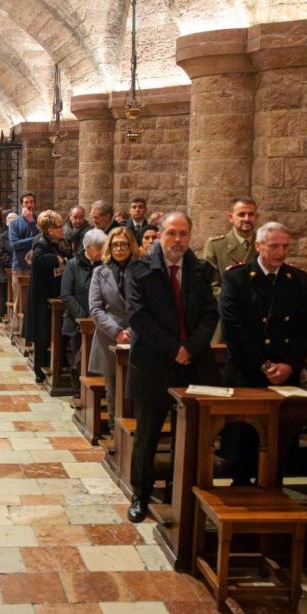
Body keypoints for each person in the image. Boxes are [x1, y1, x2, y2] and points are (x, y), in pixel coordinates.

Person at [125, 212, 219, 522]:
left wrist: (190, 348)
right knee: (148, 434)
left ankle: (179, 491)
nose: (177, 240)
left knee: (188, 434)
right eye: (171, 234)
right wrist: (174, 349)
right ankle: (141, 492)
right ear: (160, 235)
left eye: (183, 234)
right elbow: (138, 317)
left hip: (192, 364)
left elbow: (210, 314)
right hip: (153, 364)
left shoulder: (201, 270)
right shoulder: (140, 271)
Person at [219, 221, 307, 485]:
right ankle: (240, 497)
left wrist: (290, 366)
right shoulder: (237, 278)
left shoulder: (298, 280)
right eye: (274, 246)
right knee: (243, 445)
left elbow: (303, 328)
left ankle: (274, 492)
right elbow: (233, 329)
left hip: (284, 374)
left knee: (278, 445)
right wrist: (263, 365)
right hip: (247, 373)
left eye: (285, 246)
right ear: (259, 246)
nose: (280, 252)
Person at [89, 227, 140, 420]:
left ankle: (135, 434)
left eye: (124, 244)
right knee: (113, 388)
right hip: (109, 336)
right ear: (109, 247)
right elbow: (95, 309)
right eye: (115, 244)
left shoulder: (141, 270)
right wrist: (118, 331)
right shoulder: (100, 272)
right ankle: (114, 432)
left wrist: (131, 331)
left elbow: (146, 305)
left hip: (138, 333)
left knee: (137, 388)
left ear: (131, 246)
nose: (119, 249)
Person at [61, 226, 105, 391]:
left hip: (100, 321)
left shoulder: (106, 265)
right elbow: (66, 294)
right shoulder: (73, 264)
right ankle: (78, 389)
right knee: (78, 357)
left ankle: (94, 392)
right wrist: (84, 317)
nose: (103, 251)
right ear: (88, 248)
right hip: (76, 320)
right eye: (100, 247)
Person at [24, 210, 65, 384]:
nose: (62, 229)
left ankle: (50, 363)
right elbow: (38, 259)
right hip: (41, 295)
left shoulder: (53, 242)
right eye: (59, 227)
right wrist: (58, 260)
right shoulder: (41, 243)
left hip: (49, 293)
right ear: (50, 230)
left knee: (48, 330)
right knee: (41, 333)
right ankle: (39, 369)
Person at [203, 197, 259, 295]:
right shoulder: (216, 246)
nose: (247, 219)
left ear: (256, 217)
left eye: (251, 214)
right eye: (241, 214)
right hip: (227, 307)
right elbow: (210, 286)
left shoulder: (266, 244)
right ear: (231, 217)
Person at [7, 192, 39, 271]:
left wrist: (31, 221)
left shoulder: (40, 221)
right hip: (20, 266)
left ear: (34, 204)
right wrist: (36, 239)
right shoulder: (14, 223)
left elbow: (43, 240)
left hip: (37, 266)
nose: (29, 205)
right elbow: (14, 244)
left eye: (31, 202)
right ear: (22, 205)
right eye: (26, 202)